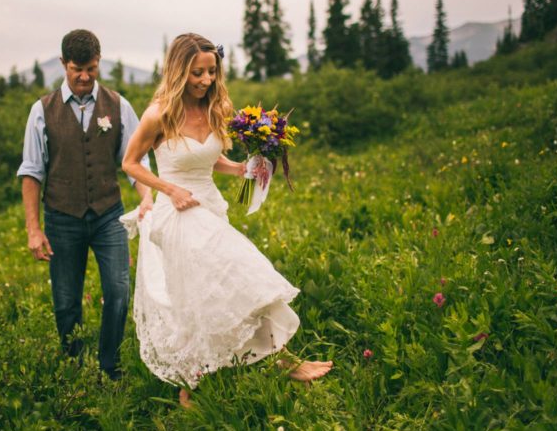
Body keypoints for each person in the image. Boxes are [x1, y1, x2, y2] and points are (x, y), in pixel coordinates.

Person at [121, 32, 332, 407]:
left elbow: (207, 159)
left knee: (215, 290)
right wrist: (168, 190)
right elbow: (130, 163)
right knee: (240, 274)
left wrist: (241, 170)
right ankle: (195, 382)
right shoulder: (160, 113)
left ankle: (268, 363)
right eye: (197, 73)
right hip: (178, 212)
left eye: (211, 72)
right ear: (178, 70)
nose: (205, 81)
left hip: (209, 207)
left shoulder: (214, 109)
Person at [18, 29, 153, 380]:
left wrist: (148, 199)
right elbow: (31, 172)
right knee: (66, 301)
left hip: (109, 213)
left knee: (118, 290)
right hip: (62, 218)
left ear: (99, 63)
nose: (84, 76)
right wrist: (34, 230)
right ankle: (73, 367)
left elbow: (135, 162)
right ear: (64, 64)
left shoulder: (119, 106)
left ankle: (110, 365)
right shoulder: (41, 110)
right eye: (77, 69)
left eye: (91, 68)